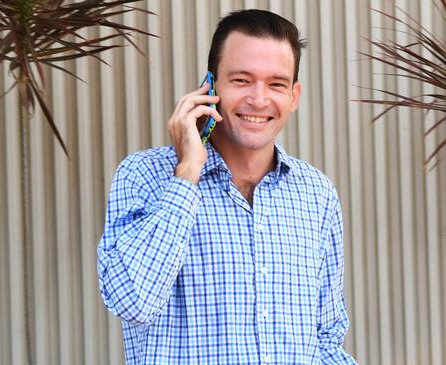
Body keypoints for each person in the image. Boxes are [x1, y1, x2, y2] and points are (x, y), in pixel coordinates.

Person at [97, 9, 357, 364]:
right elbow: (131, 300)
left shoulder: (317, 193)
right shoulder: (144, 174)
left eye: (276, 84)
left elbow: (325, 338)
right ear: (210, 86)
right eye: (242, 80)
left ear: (294, 96)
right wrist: (188, 171)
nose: (259, 99)